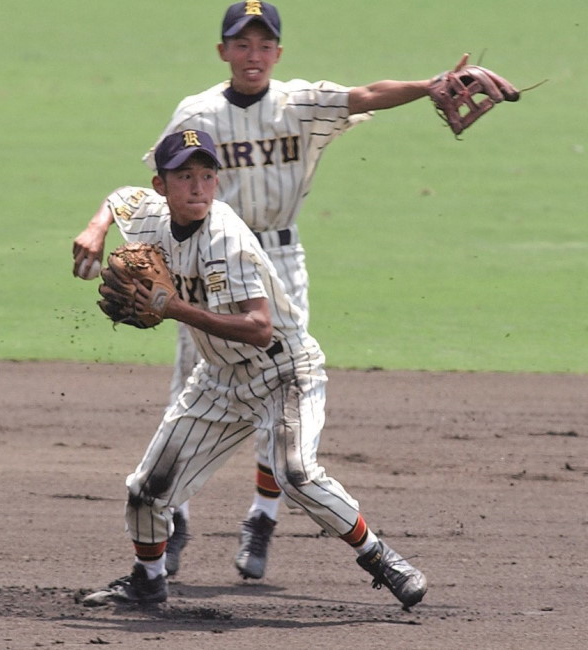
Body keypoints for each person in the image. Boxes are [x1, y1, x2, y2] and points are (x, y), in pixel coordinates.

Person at [73, 0, 443, 581]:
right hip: (207, 326)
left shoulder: (285, 125)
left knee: (292, 452)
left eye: (263, 43)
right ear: (223, 51)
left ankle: (283, 524)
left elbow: (367, 95)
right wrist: (96, 229)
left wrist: (431, 85)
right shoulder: (191, 130)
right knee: (158, 463)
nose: (253, 53)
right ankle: (160, 552)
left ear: (278, 51)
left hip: (273, 292)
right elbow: (130, 196)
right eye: (241, 43)